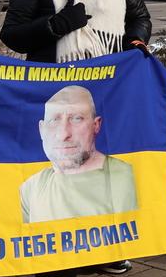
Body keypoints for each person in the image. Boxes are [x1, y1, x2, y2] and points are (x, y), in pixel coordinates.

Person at [0, 0, 152, 277]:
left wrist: (136, 44)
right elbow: (12, 34)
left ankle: (103, 249)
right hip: (54, 88)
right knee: (64, 178)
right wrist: (56, 25)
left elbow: (137, 17)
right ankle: (56, 268)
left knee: (102, 174)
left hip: (105, 88)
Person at [19, 86, 138, 223]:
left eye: (76, 119)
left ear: (96, 125)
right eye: (54, 120)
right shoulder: (29, 190)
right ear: (41, 130)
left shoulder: (129, 179)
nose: (64, 134)